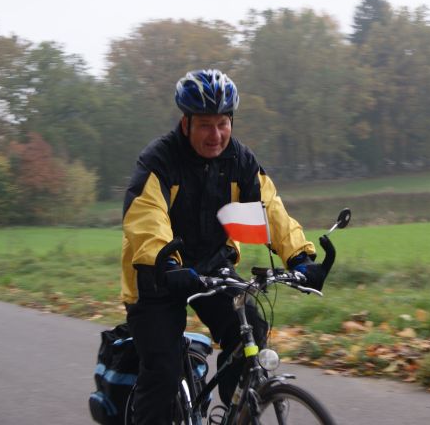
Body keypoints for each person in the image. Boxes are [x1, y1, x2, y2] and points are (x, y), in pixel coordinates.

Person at [120, 68, 328, 424]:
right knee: (163, 375)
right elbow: (146, 218)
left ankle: (236, 412)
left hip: (212, 267)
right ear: (185, 123)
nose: (215, 135)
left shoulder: (240, 161)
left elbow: (269, 209)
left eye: (222, 124)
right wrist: (165, 263)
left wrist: (301, 256)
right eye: (205, 125)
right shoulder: (159, 160)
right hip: (157, 276)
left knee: (250, 331)